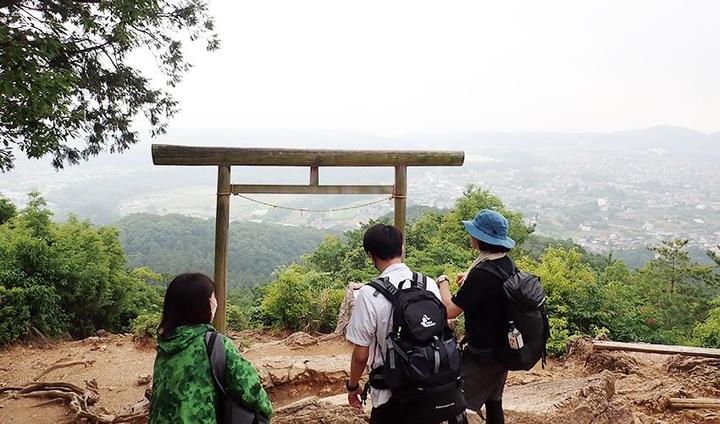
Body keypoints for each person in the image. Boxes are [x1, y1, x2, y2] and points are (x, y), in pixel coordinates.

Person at [345, 224, 451, 423]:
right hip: (431, 385)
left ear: (371, 255)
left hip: (390, 393)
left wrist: (353, 386)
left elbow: (361, 355)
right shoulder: (427, 283)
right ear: (402, 248)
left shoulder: (369, 293)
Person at [148, 273, 273, 424]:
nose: (215, 301)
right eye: (212, 296)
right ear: (201, 304)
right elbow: (250, 390)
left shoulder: (165, 345)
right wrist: (265, 412)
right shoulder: (215, 343)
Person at [436, 209, 516, 424]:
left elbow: (450, 310)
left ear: (480, 238)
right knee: (493, 401)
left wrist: (443, 282)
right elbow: (489, 291)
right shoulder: (506, 264)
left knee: (452, 401)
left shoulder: (482, 274)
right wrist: (469, 278)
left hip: (484, 353)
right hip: (503, 349)